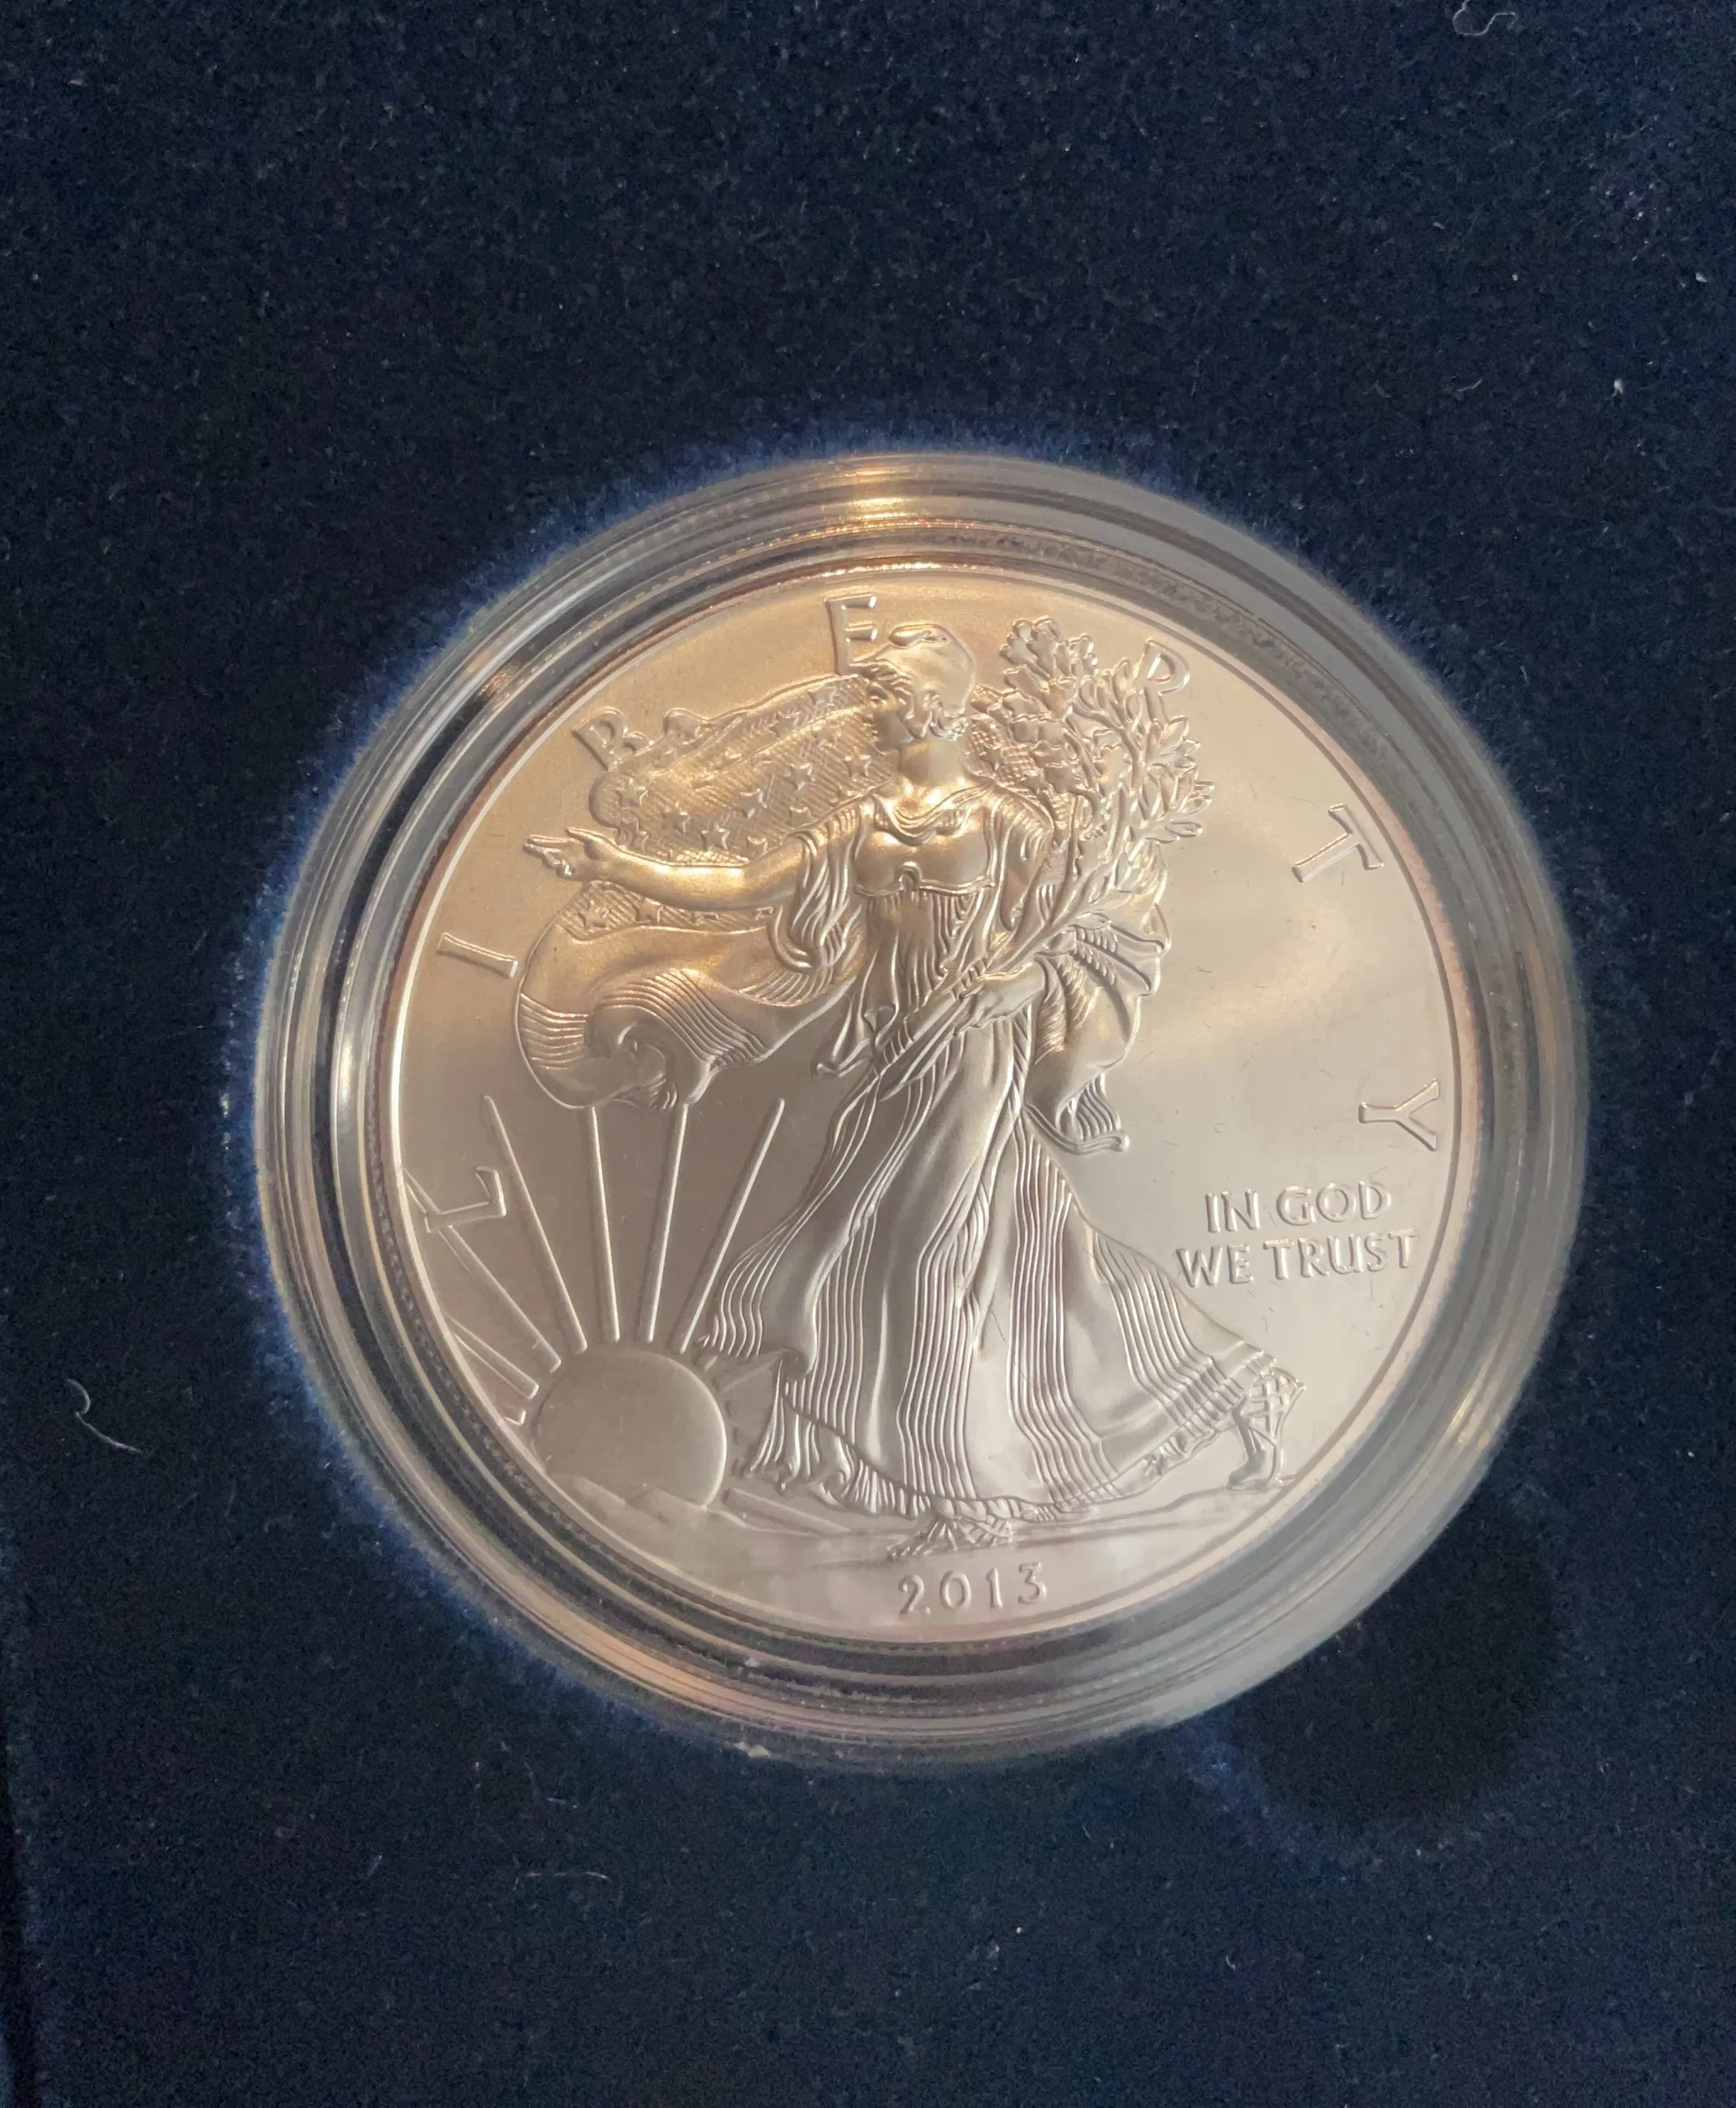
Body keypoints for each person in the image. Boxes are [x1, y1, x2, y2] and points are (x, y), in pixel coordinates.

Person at [527, 624, 1295, 1551]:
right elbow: (747, 884)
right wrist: (618, 867)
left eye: (887, 695)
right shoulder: (864, 821)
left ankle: (974, 1496)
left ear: (931, 706)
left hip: (974, 1055)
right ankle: (1232, 1385)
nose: (874, 711)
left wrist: (1024, 980)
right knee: (1013, 1256)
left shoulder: (1008, 826)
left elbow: (1097, 927)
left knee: (923, 1260)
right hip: (898, 1061)